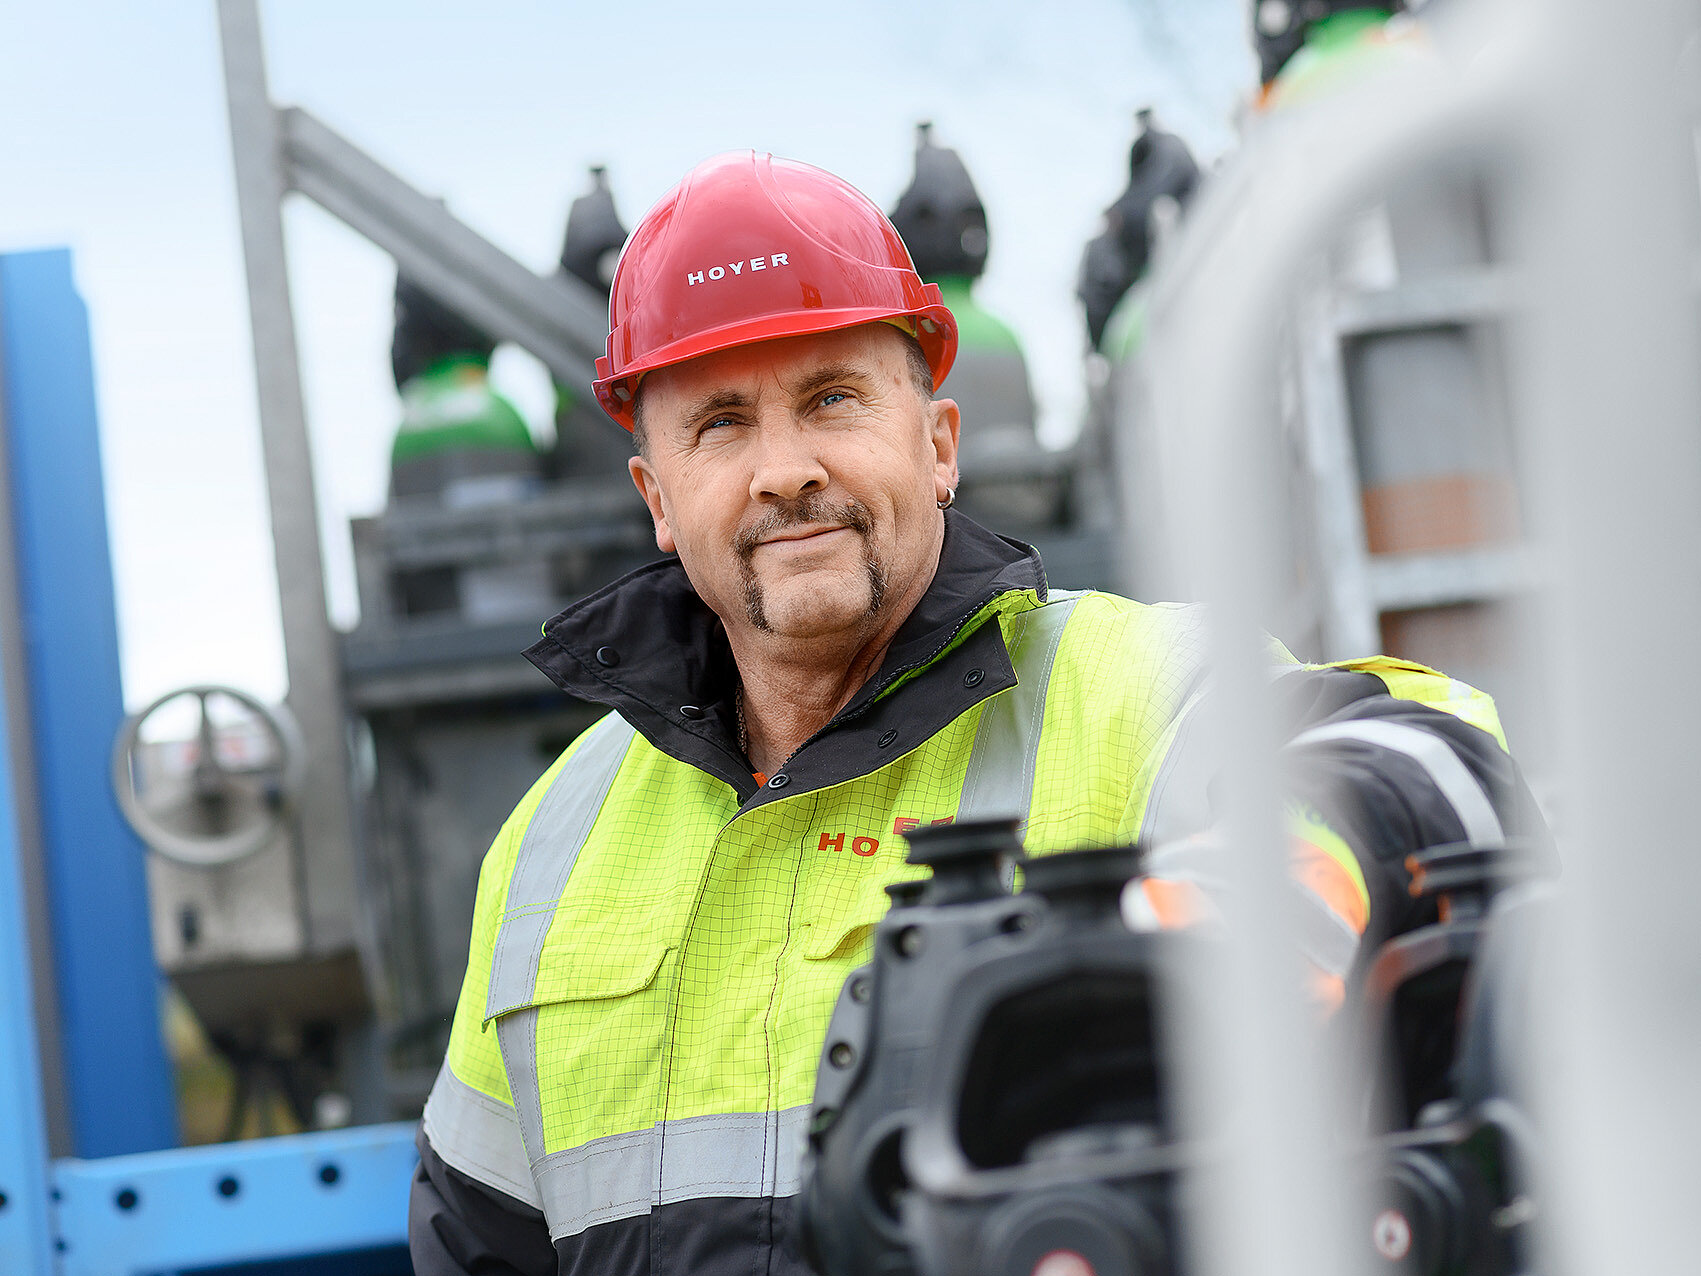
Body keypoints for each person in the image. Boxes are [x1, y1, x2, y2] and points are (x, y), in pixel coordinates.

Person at [407, 151, 1539, 1276]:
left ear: (938, 445)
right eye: (720, 424)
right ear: (657, 497)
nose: (785, 471)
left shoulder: (1127, 688)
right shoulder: (551, 842)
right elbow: (474, 1246)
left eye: (832, 398)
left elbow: (1436, 753)